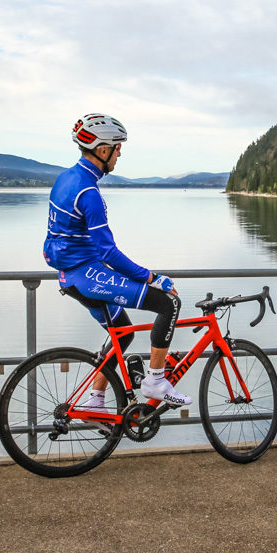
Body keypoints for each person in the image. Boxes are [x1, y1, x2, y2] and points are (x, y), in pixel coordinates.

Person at [43, 113, 190, 407]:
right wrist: (151, 277)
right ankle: (156, 380)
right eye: (117, 146)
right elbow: (108, 253)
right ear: (102, 150)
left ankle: (96, 401)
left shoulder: (67, 177)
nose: (120, 152)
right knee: (169, 303)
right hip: (86, 274)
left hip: (69, 274)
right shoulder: (89, 192)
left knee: (122, 337)